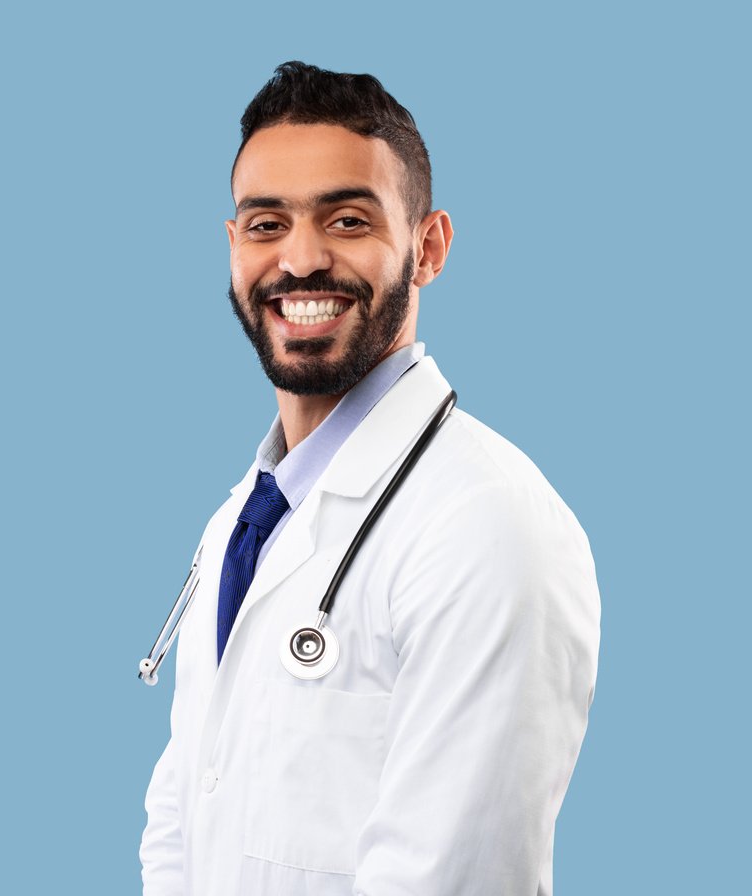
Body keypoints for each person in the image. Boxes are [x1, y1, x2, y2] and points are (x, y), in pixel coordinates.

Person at [139, 61, 601, 896]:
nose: (300, 259)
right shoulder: (242, 523)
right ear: (235, 247)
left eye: (347, 220)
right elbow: (181, 825)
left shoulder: (487, 525)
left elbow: (453, 877)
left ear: (427, 248)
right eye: (265, 224)